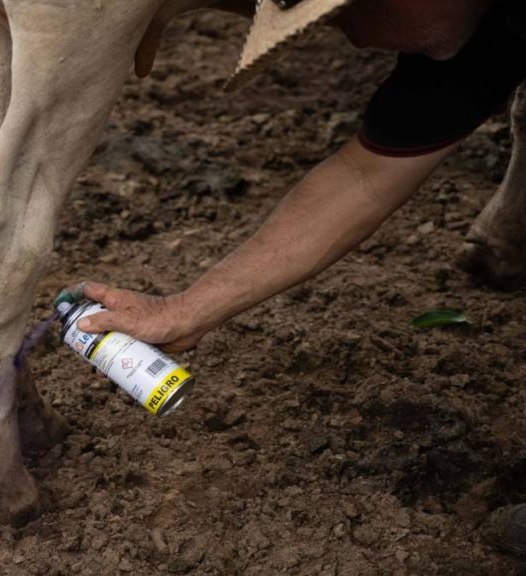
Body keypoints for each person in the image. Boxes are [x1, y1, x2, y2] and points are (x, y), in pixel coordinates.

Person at [64, 0, 526, 559]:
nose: (350, 39)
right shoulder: (464, 43)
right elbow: (363, 177)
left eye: (346, 13)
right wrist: (185, 308)